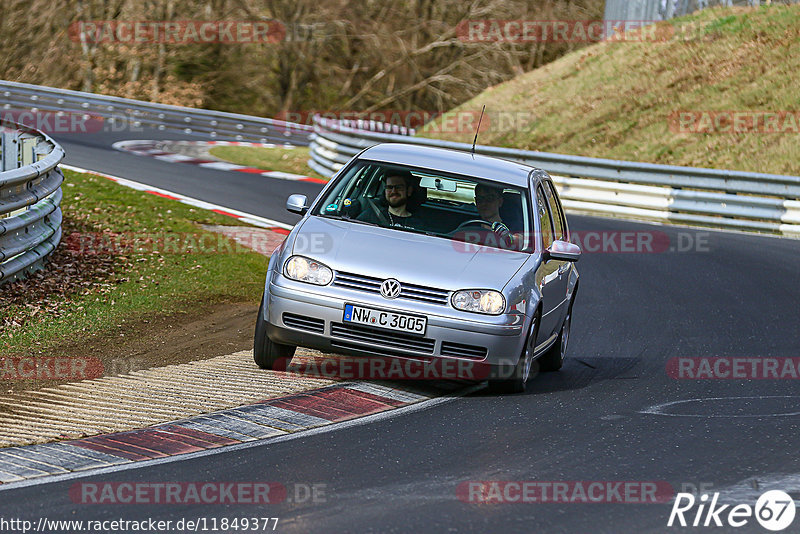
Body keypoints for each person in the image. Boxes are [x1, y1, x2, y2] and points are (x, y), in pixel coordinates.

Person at [357, 171, 424, 230]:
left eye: (398, 187)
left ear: (409, 191)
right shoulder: (370, 216)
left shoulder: (418, 225)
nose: (393, 191)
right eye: (389, 187)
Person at [473, 183, 517, 248]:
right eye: (480, 199)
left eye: (489, 199)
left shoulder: (511, 227)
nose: (484, 203)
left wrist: (509, 238)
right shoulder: (470, 224)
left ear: (500, 202)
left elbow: (519, 241)